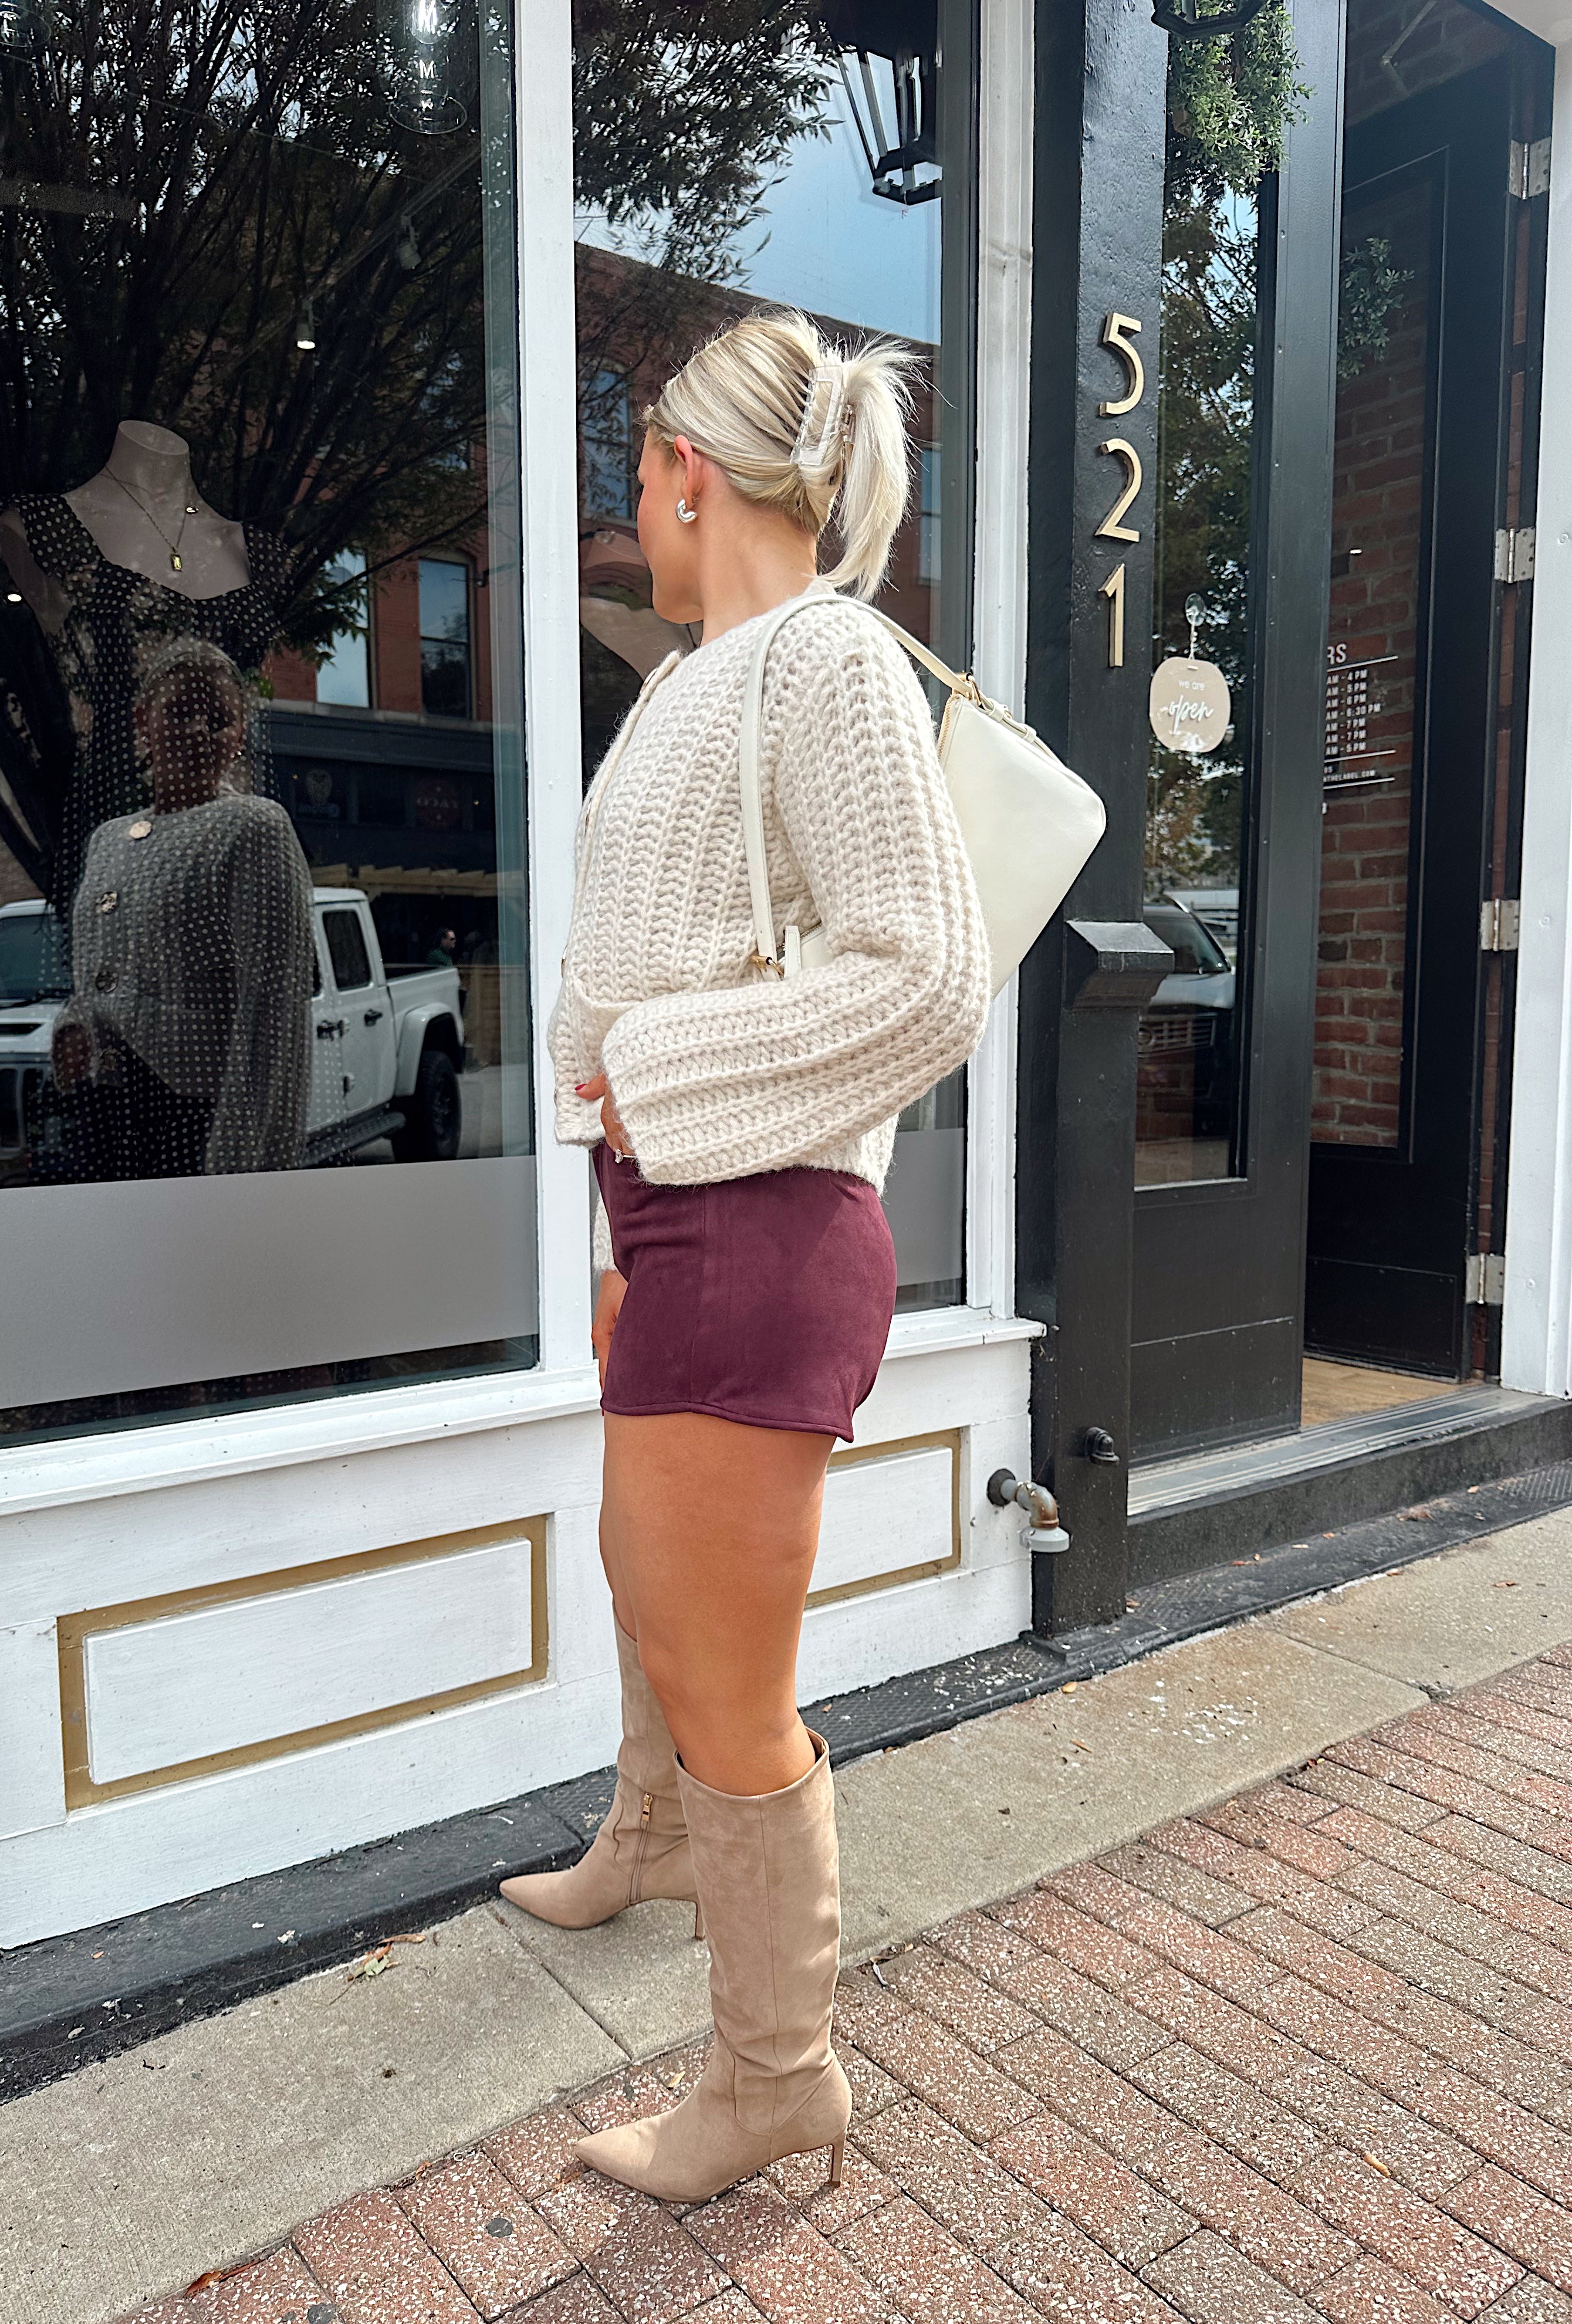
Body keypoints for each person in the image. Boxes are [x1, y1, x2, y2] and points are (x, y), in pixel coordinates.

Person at [499, 310, 989, 2203]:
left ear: (686, 473)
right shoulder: (700, 680)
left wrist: (650, 1080)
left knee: (732, 1682)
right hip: (677, 1214)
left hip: (754, 1219)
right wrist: (617, 1173)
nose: (630, 513)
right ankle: (648, 1841)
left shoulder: (826, 658)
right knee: (649, 1578)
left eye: (634, 478)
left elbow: (925, 975)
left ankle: (777, 2078)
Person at [53, 638, 312, 1179]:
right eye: (179, 712)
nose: (198, 731)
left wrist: (246, 1166)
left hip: (196, 1124)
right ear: (143, 720)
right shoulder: (109, 840)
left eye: (218, 720)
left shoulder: (254, 828)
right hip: (102, 1117)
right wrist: (77, 1024)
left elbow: (274, 1012)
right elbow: (96, 972)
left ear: (238, 735)